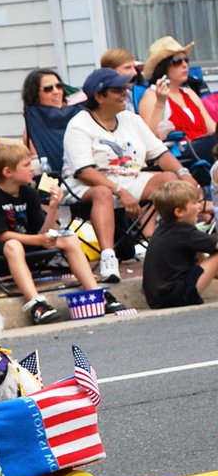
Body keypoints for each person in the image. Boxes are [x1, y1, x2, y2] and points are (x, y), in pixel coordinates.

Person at [62, 68, 195, 283]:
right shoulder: (79, 125)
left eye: (125, 87)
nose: (125, 92)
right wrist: (120, 191)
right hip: (85, 185)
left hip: (130, 179)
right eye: (117, 90)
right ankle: (108, 258)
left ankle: (183, 245)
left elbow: (160, 153)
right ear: (99, 96)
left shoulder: (130, 119)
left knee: (171, 181)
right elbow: (85, 171)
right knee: (103, 193)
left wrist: (183, 173)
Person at [0, 143, 126, 324]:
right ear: (8, 172)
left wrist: (54, 207)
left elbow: (42, 230)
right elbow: (2, 236)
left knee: (69, 238)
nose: (32, 169)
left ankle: (95, 292)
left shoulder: (28, 192)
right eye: (26, 165)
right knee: (13, 245)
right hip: (2, 255)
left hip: (31, 248)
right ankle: (36, 304)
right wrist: (38, 239)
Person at [143, 180, 218, 309]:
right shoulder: (184, 231)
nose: (199, 207)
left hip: (156, 298)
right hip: (176, 295)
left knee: (202, 251)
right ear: (179, 212)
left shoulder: (163, 228)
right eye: (194, 203)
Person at [138, 37, 215, 153]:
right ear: (163, 67)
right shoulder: (152, 95)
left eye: (186, 60)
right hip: (179, 153)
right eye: (177, 61)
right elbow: (150, 138)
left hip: (202, 151)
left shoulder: (189, 93)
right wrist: (160, 102)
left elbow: (212, 128)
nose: (185, 65)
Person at [99, 48, 142, 114]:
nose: (135, 73)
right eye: (127, 68)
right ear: (111, 70)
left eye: (134, 67)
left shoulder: (131, 93)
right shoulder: (100, 96)